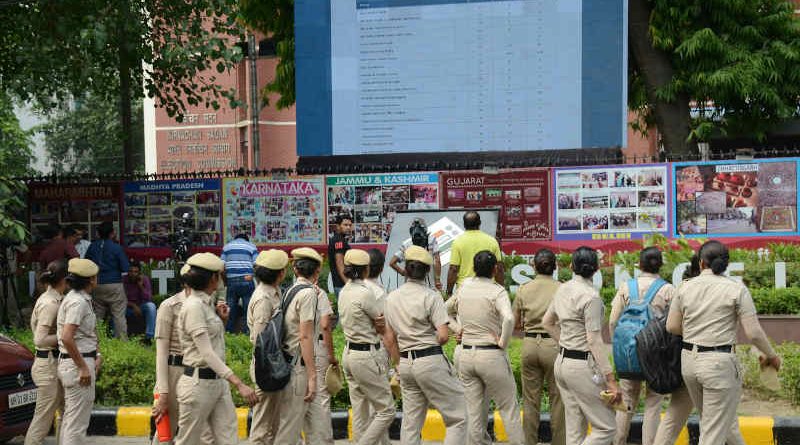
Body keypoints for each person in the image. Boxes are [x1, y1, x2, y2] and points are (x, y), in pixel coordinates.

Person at [666, 241, 781, 445]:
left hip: (689, 363)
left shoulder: (684, 287)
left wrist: (696, 332)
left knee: (716, 422)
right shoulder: (736, 289)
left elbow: (673, 326)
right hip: (718, 364)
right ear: (725, 264)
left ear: (701, 263)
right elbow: (753, 333)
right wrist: (771, 355)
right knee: (713, 432)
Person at [653, 253, 746, 445]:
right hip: (712, 363)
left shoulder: (684, 287)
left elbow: (672, 326)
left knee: (679, 417)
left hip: (685, 361)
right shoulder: (722, 288)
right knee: (720, 424)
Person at [384, 246, 466, 445]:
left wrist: (398, 364)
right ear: (427, 271)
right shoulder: (431, 296)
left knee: (411, 422)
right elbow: (444, 336)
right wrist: (429, 341)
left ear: (406, 270)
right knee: (459, 417)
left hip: (405, 363)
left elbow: (389, 337)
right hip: (429, 361)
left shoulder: (392, 297)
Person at [174, 253, 258, 445]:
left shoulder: (207, 303)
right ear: (213, 278)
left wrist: (223, 319)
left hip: (217, 383)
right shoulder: (193, 306)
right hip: (198, 384)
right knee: (189, 441)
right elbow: (206, 352)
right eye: (220, 276)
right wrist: (238, 383)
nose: (222, 281)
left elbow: (213, 341)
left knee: (228, 437)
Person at [542, 247, 620, 445]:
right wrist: (610, 378)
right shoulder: (591, 297)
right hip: (581, 367)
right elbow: (593, 339)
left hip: (562, 362)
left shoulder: (562, 288)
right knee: (607, 428)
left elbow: (547, 322)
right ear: (597, 268)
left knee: (575, 427)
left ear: (571, 266)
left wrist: (566, 344)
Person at [448, 251, 523, 445]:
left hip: (465, 354)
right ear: (494, 269)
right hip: (490, 354)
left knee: (474, 413)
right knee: (508, 409)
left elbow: (443, 311)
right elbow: (508, 318)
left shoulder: (464, 288)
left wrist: (458, 329)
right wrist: (502, 343)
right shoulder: (496, 291)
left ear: (473, 267)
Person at [609, 247, 676, 445]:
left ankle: (618, 441)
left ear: (639, 265)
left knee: (626, 400)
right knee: (653, 402)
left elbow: (613, 322)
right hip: (655, 355)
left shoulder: (625, 287)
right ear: (660, 265)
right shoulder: (668, 289)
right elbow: (673, 325)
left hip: (628, 353)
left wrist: (619, 346)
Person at [152, 265, 215, 445]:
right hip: (174, 371)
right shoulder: (169, 306)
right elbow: (161, 352)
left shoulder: (207, 303)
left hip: (197, 372)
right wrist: (163, 391)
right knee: (166, 433)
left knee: (203, 432)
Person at [339, 249, 397, 445]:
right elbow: (381, 325)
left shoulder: (345, 289)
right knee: (386, 410)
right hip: (366, 355)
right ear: (366, 269)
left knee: (361, 411)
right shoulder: (366, 293)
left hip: (349, 353)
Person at [513, 249, 565, 445]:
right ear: (555, 266)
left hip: (529, 345)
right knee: (558, 400)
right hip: (554, 344)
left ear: (533, 266)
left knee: (530, 400)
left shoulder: (524, 289)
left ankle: (529, 441)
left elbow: (515, 323)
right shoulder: (562, 288)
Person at [272, 248, 322, 443]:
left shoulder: (291, 290)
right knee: (289, 433)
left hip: (289, 362)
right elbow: (305, 336)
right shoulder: (308, 294)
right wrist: (312, 376)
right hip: (298, 368)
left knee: (306, 429)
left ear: (295, 269)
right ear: (317, 271)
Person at [57, 258, 102, 445]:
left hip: (79, 362)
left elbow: (83, 335)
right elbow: (67, 337)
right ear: (91, 279)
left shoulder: (78, 299)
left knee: (72, 420)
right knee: (76, 425)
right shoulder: (78, 302)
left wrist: (96, 355)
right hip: (77, 366)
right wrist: (83, 367)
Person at [246, 250, 289, 445]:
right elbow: (260, 339)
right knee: (263, 426)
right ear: (280, 273)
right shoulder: (264, 298)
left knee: (274, 425)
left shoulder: (275, 291)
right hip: (266, 367)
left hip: (272, 365)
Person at [25, 260, 67, 445]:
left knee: (66, 414)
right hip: (47, 365)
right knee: (43, 419)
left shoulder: (56, 298)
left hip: (55, 362)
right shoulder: (50, 303)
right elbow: (40, 339)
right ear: (65, 279)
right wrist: (65, 335)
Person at [301, 260, 338, 445]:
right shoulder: (318, 293)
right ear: (317, 272)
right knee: (321, 399)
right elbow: (325, 325)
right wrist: (331, 355)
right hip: (316, 347)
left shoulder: (291, 292)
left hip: (298, 351)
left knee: (304, 396)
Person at [85, 221, 130, 339]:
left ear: (98, 234)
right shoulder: (117, 248)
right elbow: (125, 268)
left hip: (96, 284)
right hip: (114, 283)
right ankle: (121, 344)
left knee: (97, 316)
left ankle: (96, 342)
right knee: (119, 315)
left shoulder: (92, 246)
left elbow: (86, 264)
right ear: (112, 233)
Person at [446, 211, 504, 298]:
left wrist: (449, 291)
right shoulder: (492, 241)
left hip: (464, 290)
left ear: (464, 224)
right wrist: (501, 289)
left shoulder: (457, 242)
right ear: (480, 223)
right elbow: (499, 268)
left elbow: (453, 269)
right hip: (488, 290)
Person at [220, 233, 259, 334]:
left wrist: (225, 281)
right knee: (248, 309)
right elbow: (257, 264)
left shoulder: (227, 247)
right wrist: (252, 276)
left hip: (231, 281)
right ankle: (248, 335)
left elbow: (221, 267)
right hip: (247, 280)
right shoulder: (251, 246)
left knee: (230, 309)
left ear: (235, 239)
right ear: (247, 240)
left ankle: (229, 334)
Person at [389, 218, 442, 289]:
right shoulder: (431, 241)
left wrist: (403, 273)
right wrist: (437, 280)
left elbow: (392, 262)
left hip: (410, 286)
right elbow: (437, 261)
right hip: (429, 286)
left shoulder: (406, 244)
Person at [123, 260, 156, 344]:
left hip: (141, 306)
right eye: (131, 271)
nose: (133, 274)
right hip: (128, 307)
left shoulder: (144, 279)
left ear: (139, 272)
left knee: (151, 306)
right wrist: (133, 306)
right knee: (116, 310)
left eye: (135, 272)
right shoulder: (124, 280)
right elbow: (120, 299)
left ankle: (149, 337)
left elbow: (148, 298)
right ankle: (120, 337)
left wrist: (141, 286)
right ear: (128, 272)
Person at [328, 214, 353, 297]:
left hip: (341, 284)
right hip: (342, 285)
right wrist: (348, 283)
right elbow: (340, 264)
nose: (348, 227)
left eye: (350, 225)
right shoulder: (339, 240)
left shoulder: (339, 239)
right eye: (345, 225)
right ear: (338, 226)